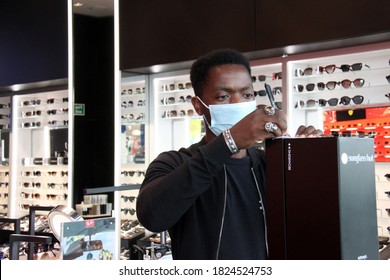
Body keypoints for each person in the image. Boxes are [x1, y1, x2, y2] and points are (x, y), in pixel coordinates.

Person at [136, 49, 322, 260]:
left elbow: (309, 223)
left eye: (247, 95)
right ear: (198, 105)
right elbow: (151, 217)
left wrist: (309, 161)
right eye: (223, 96)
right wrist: (228, 142)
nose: (238, 104)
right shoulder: (174, 163)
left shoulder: (268, 163)